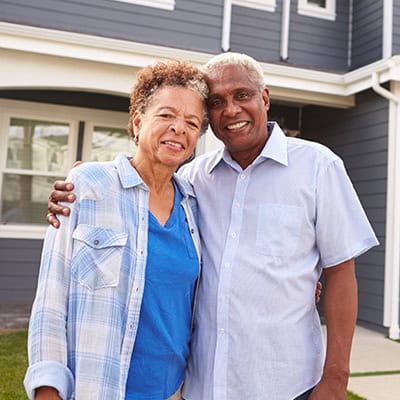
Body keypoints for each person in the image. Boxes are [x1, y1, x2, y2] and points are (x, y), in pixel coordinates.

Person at [46, 52, 378, 400]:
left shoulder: (318, 166)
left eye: (242, 95)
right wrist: (82, 188)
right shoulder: (192, 179)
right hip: (201, 385)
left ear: (264, 98)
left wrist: (337, 377)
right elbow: (140, 182)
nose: (231, 110)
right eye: (217, 102)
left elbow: (340, 270)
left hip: (285, 383)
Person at [24, 60, 210, 400]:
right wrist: (47, 390)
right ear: (138, 122)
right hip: (99, 389)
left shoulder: (195, 206)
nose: (179, 129)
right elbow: (51, 300)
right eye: (166, 115)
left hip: (175, 392)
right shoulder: (87, 186)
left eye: (192, 123)